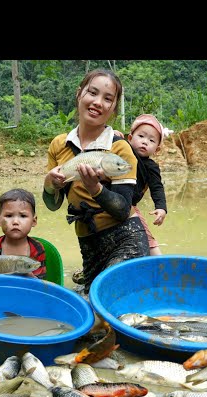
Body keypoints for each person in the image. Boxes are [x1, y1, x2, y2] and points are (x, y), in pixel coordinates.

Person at [42, 69, 150, 293]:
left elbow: (122, 211)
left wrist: (96, 188)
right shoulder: (59, 145)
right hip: (89, 246)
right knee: (95, 314)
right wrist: (49, 184)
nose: (98, 102)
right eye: (93, 93)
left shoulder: (120, 149)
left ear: (113, 108)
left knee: (107, 302)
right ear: (79, 94)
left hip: (126, 240)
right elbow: (53, 205)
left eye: (108, 99)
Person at [0, 188, 46, 279]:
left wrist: (30, 277)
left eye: (23, 216)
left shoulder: (37, 248)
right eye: (9, 216)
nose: (15, 221)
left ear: (34, 221)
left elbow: (40, 283)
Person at [127, 114, 168, 256]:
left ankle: (160, 264)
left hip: (129, 206)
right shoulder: (123, 151)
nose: (145, 142)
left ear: (157, 149)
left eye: (151, 140)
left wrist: (161, 208)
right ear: (130, 138)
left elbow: (157, 187)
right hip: (109, 199)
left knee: (146, 238)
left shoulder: (151, 167)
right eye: (141, 136)